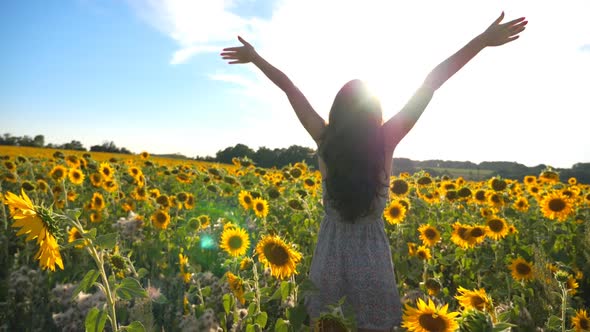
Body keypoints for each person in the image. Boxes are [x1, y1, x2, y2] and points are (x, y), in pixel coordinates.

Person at [221, 11, 527, 332]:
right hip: (372, 261)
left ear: (336, 110)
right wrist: (480, 42)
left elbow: (290, 88)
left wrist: (255, 58)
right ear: (375, 112)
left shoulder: (324, 139)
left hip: (330, 259)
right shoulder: (385, 140)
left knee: (328, 324)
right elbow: (431, 83)